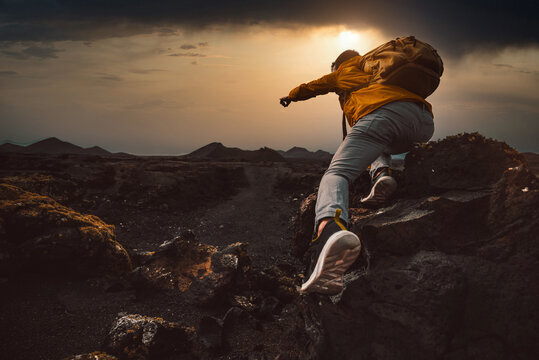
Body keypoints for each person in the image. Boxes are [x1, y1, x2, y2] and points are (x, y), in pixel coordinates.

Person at [280, 49, 434, 295]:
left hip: (382, 114)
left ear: (337, 65)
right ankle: (383, 174)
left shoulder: (344, 71)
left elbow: (313, 86)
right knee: (376, 144)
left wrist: (291, 96)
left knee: (336, 174)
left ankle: (330, 229)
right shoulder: (377, 69)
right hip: (422, 121)